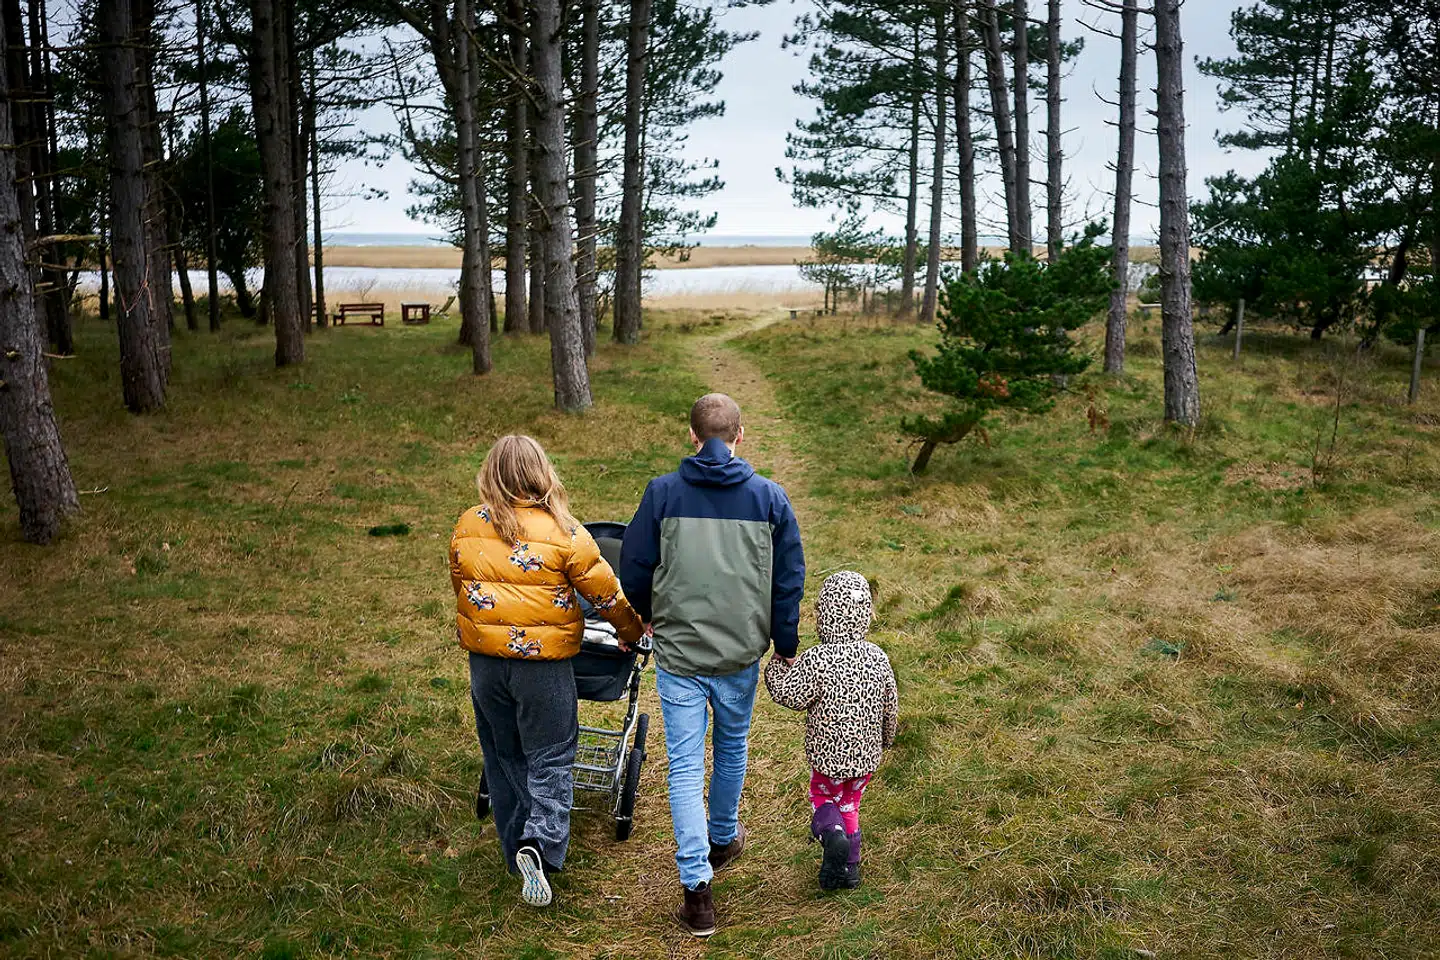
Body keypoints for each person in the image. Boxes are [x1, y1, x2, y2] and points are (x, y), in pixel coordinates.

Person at [620, 393, 806, 937]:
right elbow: (788, 578)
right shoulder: (769, 498)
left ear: (693, 436)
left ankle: (697, 890)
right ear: (740, 435)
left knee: (684, 766)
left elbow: (634, 564)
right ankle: (722, 838)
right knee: (731, 747)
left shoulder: (662, 493)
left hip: (679, 653)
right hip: (739, 653)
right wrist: (785, 640)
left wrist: (647, 613)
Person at [449, 435, 644, 908]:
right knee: (552, 754)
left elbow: (461, 583)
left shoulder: (468, 524)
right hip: (543, 667)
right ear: (542, 473)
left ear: (491, 474)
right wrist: (632, 631)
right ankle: (539, 844)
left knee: (504, 752)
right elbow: (606, 594)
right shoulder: (565, 532)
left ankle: (514, 846)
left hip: (486, 664)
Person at [764, 571, 898, 890]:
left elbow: (790, 694)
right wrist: (887, 738)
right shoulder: (878, 658)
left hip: (828, 759)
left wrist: (777, 665)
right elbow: (890, 705)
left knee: (822, 796)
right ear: (865, 614)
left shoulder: (817, 660)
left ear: (823, 615)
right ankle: (850, 868)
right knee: (850, 804)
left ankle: (832, 835)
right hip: (865, 757)